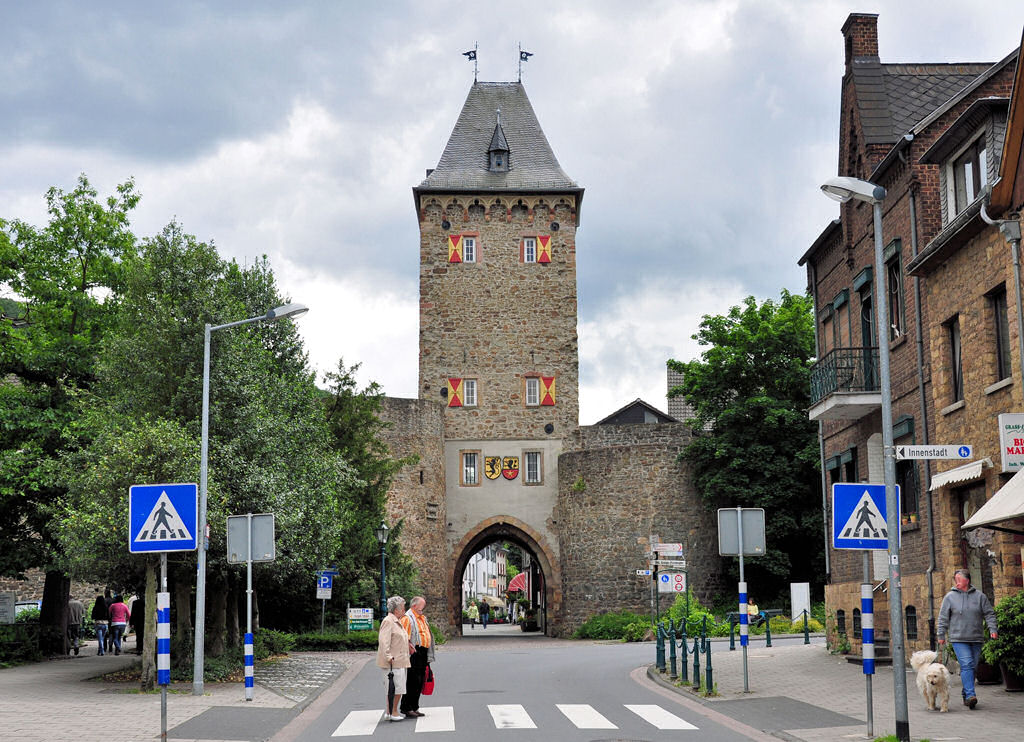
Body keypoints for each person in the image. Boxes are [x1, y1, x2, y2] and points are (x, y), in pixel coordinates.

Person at [938, 568, 998, 709]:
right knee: (966, 664)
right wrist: (941, 634)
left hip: (976, 637)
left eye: (960, 579)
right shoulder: (950, 597)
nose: (957, 582)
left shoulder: (979, 596)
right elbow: (943, 617)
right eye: (955, 579)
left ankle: (966, 693)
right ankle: (971, 695)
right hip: (958, 638)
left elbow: (989, 614)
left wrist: (992, 629)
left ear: (967, 580)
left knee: (973, 666)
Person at [376, 595, 412, 722]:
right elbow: (384, 641)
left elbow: (398, 639)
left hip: (399, 660)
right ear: (396, 610)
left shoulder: (397, 621)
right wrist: (388, 656)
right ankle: (393, 711)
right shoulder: (388, 621)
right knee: (396, 688)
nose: (404, 610)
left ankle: (389, 711)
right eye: (402, 608)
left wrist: (409, 646)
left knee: (395, 687)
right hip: (393, 661)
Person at [400, 596, 434, 718]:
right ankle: (406, 707)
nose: (422, 610)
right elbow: (404, 636)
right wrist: (409, 647)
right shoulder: (407, 618)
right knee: (412, 681)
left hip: (423, 652)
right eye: (421, 608)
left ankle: (415, 706)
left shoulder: (422, 618)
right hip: (414, 652)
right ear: (414, 606)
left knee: (420, 680)